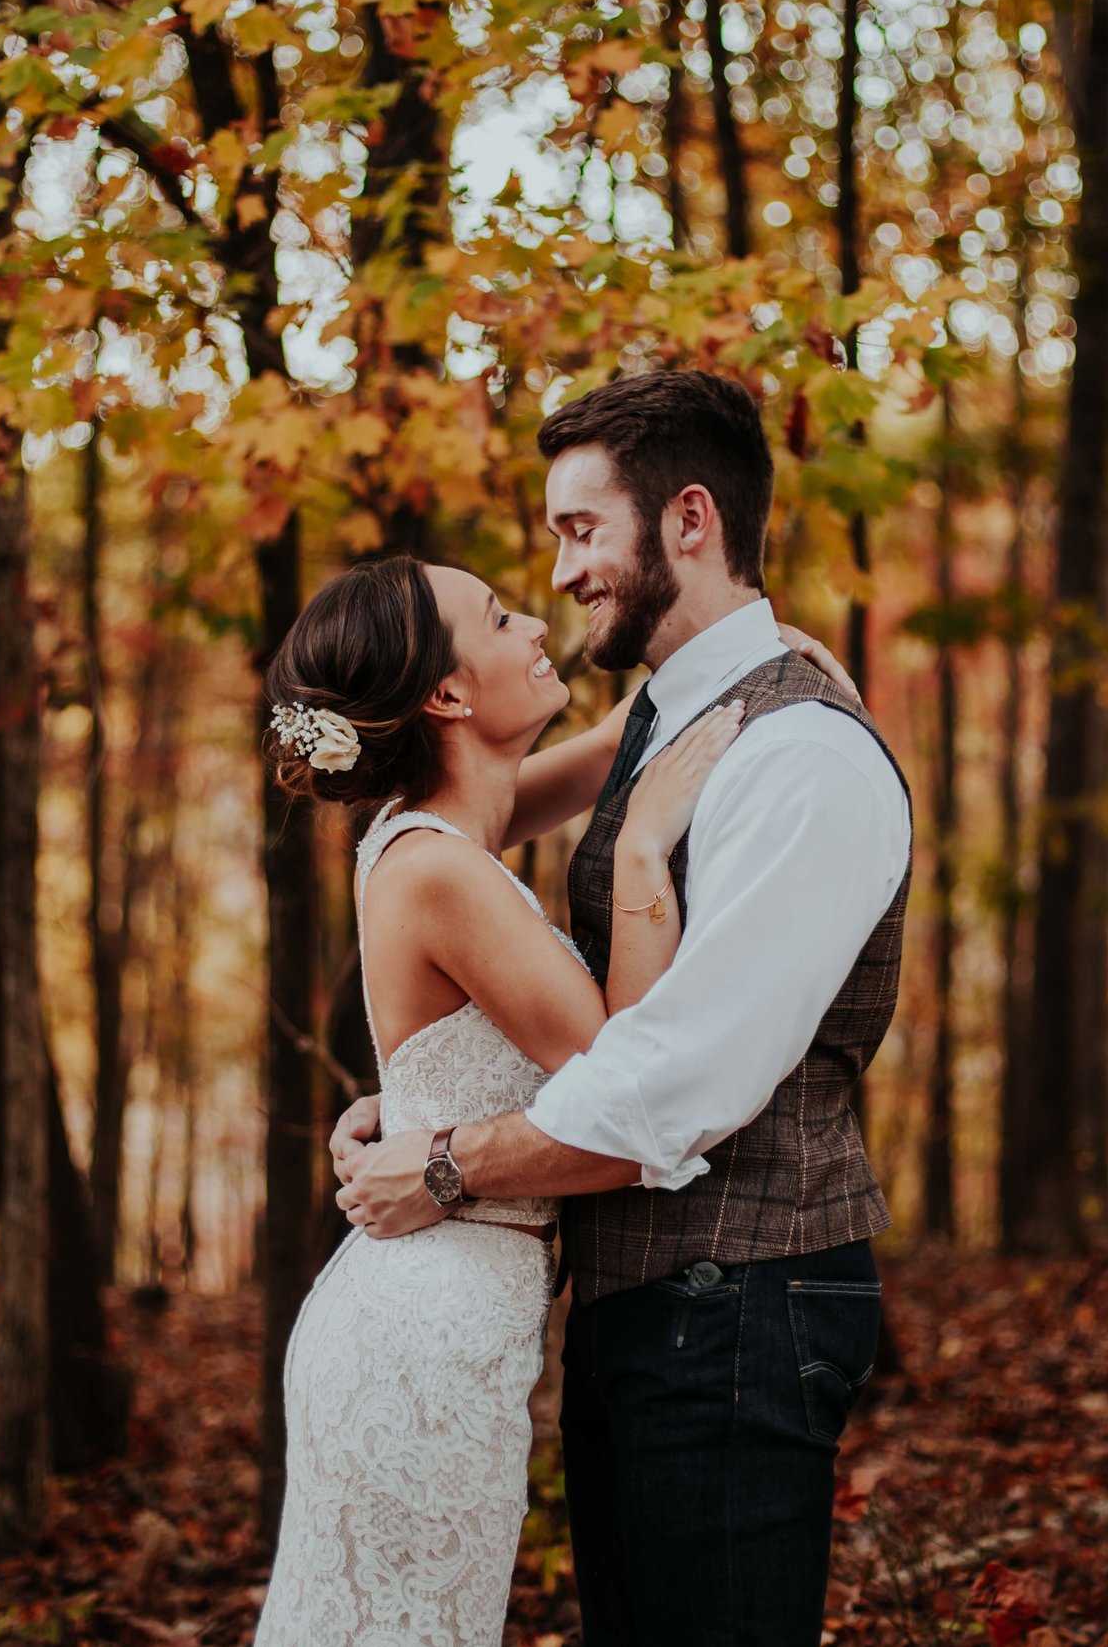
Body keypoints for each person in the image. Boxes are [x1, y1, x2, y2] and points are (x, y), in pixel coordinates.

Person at [335, 368, 913, 1646]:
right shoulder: (670, 722)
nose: (562, 573)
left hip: (743, 1302)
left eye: (579, 530)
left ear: (689, 520)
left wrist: (441, 1160)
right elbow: (477, 831)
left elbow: (672, 1083)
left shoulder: (795, 754)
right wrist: (422, 1091)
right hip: (648, 1313)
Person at [251, 540, 853, 1645]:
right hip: (419, 1338)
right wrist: (638, 859)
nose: (535, 624)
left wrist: (753, 664)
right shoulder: (437, 865)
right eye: (497, 617)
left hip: (454, 1318)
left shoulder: (449, 831)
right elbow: (628, 1066)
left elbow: (620, 741)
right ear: (446, 692)